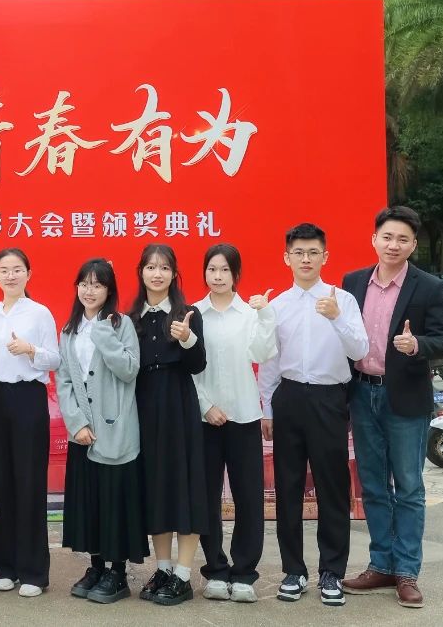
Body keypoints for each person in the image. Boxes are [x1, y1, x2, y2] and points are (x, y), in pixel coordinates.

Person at [340, 207, 443, 609]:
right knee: (372, 486)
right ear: (374, 239)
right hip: (362, 393)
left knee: (408, 488)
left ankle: (406, 571)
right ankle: (381, 564)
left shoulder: (429, 287)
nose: (393, 245)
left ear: (413, 245)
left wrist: (416, 344)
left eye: (403, 239)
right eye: (387, 237)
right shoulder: (352, 283)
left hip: (404, 397)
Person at [259, 223, 369, 607]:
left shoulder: (343, 300)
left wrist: (337, 317)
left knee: (332, 488)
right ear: (286, 258)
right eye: (298, 253)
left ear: (325, 257)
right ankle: (293, 570)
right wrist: (266, 407)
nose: (306, 259)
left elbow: (360, 350)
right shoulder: (278, 306)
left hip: (329, 399)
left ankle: (332, 572)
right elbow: (270, 361)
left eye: (313, 252)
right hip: (289, 398)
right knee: (288, 487)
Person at [58, 257, 147, 604]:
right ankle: (96, 566)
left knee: (115, 502)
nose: (89, 291)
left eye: (97, 284)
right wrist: (76, 423)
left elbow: (129, 369)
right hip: (83, 432)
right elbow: (65, 380)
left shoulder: (120, 324)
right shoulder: (69, 330)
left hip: (115, 429)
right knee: (89, 502)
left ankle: (117, 572)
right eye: (84, 284)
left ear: (109, 290)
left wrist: (104, 335)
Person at [192, 244, 277, 603]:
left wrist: (266, 316)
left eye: (225, 270)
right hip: (205, 419)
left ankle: (244, 573)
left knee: (248, 497)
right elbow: (188, 368)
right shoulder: (193, 313)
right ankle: (215, 569)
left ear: (236, 274)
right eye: (212, 269)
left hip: (243, 415)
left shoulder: (249, 314)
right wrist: (206, 406)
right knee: (206, 497)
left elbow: (262, 354)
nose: (218, 276)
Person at [129, 244, 209, 606]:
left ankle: (183, 575)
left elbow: (198, 364)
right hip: (143, 407)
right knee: (155, 486)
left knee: (184, 486)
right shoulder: (130, 318)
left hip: (178, 405)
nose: (157, 274)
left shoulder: (187, 314)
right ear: (141, 272)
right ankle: (162, 569)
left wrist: (187, 338)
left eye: (164, 268)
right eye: (151, 267)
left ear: (174, 274)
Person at [0, 248, 60, 597]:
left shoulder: (39, 313)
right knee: (0, 483)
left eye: (17, 269)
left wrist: (30, 350)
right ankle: (6, 567)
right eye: (4, 270)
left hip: (28, 398)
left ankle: (33, 572)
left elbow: (55, 359)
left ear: (28, 273)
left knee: (29, 482)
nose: (10, 276)